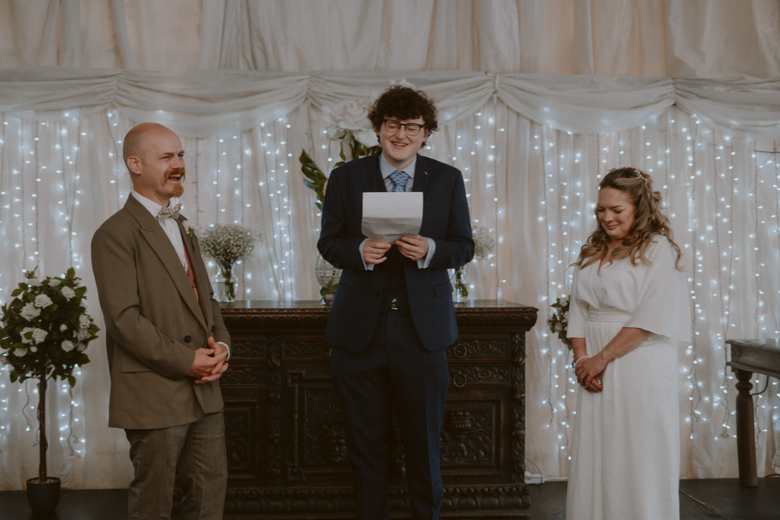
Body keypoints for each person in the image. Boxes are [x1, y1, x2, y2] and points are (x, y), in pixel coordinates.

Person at [318, 85, 474, 520]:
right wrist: (357, 251)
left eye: (411, 126)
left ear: (425, 133)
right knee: (365, 449)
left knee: (424, 448)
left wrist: (431, 249)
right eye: (392, 124)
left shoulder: (447, 178)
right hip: (358, 334)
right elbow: (329, 242)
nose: (401, 134)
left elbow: (464, 245)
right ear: (377, 128)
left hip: (422, 333)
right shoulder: (346, 177)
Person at [91, 123, 231, 520]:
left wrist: (222, 346)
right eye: (166, 157)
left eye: (181, 155)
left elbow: (207, 301)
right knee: (154, 505)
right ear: (135, 164)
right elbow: (123, 320)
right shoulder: (114, 233)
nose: (178, 164)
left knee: (208, 500)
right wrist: (187, 361)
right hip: (154, 392)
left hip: (205, 392)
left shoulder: (183, 227)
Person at [565, 167, 690, 520]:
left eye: (617, 210)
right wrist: (582, 360)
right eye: (601, 209)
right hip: (593, 365)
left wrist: (600, 359)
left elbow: (652, 316)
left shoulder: (658, 248)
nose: (607, 217)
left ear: (639, 208)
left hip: (640, 364)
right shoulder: (593, 249)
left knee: (637, 454)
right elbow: (579, 309)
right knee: (597, 453)